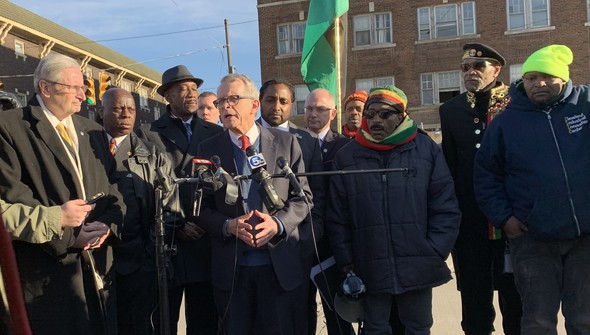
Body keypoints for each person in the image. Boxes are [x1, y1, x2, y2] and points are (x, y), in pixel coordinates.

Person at [0, 52, 124, 335]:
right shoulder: (10, 128)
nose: (84, 96)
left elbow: (114, 190)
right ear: (46, 87)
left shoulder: (92, 132)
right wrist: (70, 235)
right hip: (46, 276)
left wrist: (108, 226)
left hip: (96, 272)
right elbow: (14, 197)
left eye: (84, 87)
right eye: (75, 88)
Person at [326, 85, 460, 334]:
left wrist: (434, 250)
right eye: (370, 114)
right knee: (375, 328)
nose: (376, 120)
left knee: (418, 327)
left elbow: (445, 206)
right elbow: (337, 216)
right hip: (368, 264)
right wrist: (347, 261)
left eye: (384, 114)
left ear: (402, 115)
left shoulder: (426, 148)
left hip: (418, 261)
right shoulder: (347, 156)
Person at [475, 44, 590, 335]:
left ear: (563, 78)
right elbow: (486, 176)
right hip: (533, 239)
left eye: (547, 76)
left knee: (584, 319)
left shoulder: (585, 105)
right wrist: (505, 219)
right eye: (531, 77)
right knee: (538, 321)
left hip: (585, 238)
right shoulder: (505, 124)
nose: (538, 83)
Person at [196, 73, 313, 335]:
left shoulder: (286, 143)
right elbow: (199, 208)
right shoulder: (207, 149)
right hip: (233, 271)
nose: (225, 106)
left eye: (233, 99)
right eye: (221, 101)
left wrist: (279, 223)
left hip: (279, 268)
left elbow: (303, 197)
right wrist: (227, 225)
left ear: (254, 105)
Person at [439, 43, 522, 335]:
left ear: (496, 70)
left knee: (516, 303)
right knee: (475, 305)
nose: (470, 72)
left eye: (478, 67)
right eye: (465, 68)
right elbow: (449, 167)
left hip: (511, 221)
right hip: (471, 223)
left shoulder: (515, 102)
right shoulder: (451, 110)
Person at [137, 65, 223, 335]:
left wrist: (204, 222)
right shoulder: (148, 133)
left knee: (204, 320)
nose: (191, 94)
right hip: (169, 241)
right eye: (182, 89)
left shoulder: (213, 132)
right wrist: (177, 223)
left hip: (205, 239)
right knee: (165, 321)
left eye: (194, 89)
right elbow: (145, 185)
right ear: (167, 96)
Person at [100, 88, 181, 335]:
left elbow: (171, 208)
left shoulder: (153, 154)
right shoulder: (85, 147)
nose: (126, 114)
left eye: (131, 109)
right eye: (117, 109)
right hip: (97, 259)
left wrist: (150, 255)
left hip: (139, 262)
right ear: (100, 111)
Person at [258, 78, 324, 335]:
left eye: (284, 101)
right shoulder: (248, 138)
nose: (277, 106)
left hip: (298, 244)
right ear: (259, 102)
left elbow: (317, 195)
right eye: (270, 100)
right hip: (258, 249)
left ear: (292, 105)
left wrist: (309, 236)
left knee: (300, 312)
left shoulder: (307, 140)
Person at [303, 88, 354, 335]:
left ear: (333, 113)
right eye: (308, 108)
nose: (313, 114)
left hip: (333, 244)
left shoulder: (345, 147)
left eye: (320, 109)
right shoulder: (291, 143)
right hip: (301, 240)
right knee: (302, 311)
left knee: (337, 313)